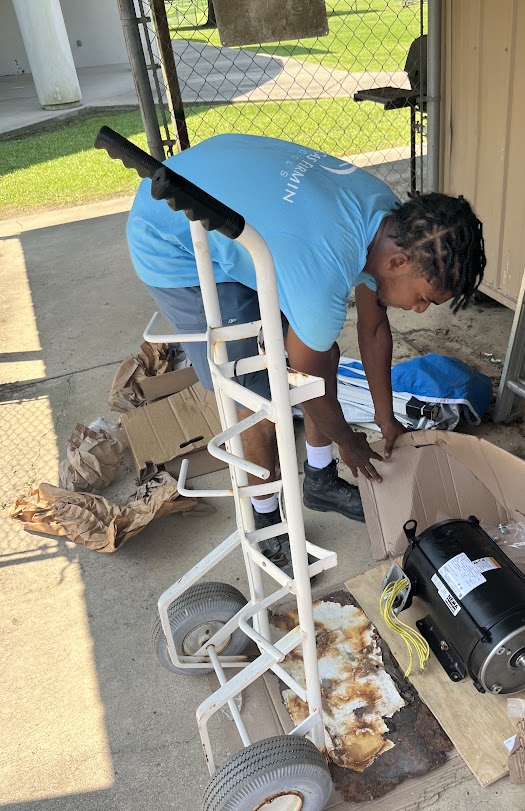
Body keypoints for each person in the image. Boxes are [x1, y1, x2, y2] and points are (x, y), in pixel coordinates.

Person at [126, 134, 486, 569]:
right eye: (424, 297)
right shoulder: (322, 272)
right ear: (399, 264)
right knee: (254, 394)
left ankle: (319, 479)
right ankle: (265, 521)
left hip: (237, 200)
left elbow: (373, 329)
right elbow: (306, 383)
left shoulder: (390, 221)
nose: (421, 309)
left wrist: (385, 415)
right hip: (175, 234)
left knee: (319, 347)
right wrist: (349, 443)